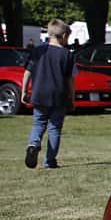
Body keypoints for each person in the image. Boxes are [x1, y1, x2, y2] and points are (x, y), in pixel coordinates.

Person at [22, 17, 75, 169]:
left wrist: (24, 91)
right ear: (63, 36)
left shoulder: (38, 51)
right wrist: (72, 97)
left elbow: (27, 72)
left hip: (39, 94)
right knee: (54, 128)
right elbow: (70, 80)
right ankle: (50, 161)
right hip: (58, 96)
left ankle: (33, 144)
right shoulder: (66, 54)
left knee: (38, 123)